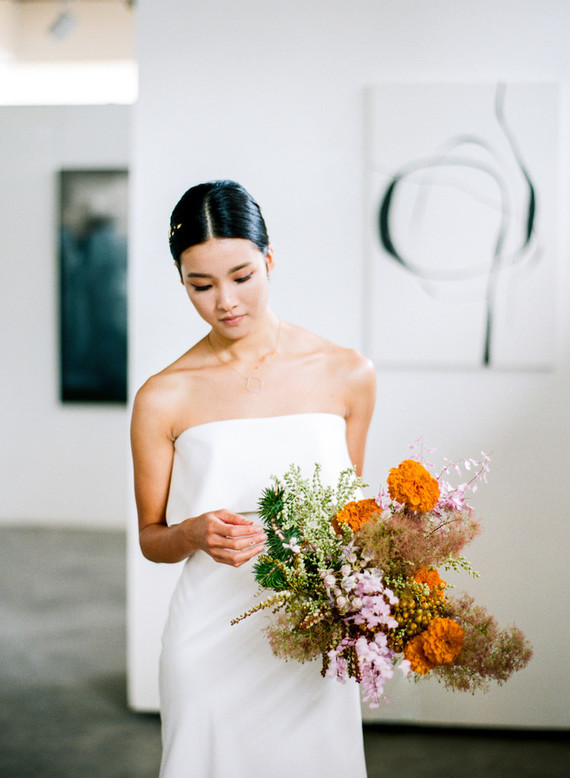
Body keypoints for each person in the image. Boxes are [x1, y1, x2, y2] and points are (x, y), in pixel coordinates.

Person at [131, 180, 376, 777]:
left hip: (310, 638)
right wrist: (191, 533)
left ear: (269, 259)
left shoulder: (348, 374)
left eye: (242, 276)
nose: (226, 302)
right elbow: (151, 537)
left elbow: (352, 518)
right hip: (210, 643)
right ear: (181, 281)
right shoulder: (163, 397)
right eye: (202, 285)